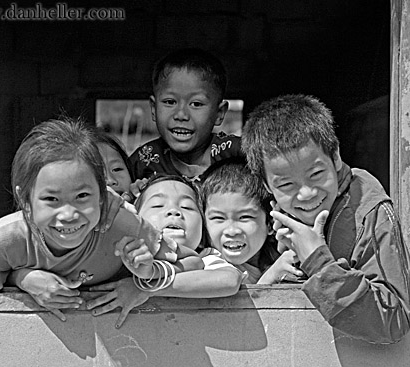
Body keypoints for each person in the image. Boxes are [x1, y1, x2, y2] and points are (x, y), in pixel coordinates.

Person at [0, 118, 202, 321]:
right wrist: (23, 278)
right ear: (25, 199)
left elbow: (194, 263)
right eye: (51, 199)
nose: (69, 215)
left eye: (82, 196)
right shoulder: (4, 240)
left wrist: (147, 277)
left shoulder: (121, 224)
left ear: (102, 195)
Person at [241, 94, 410, 344]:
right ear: (266, 184)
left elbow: (393, 321)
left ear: (335, 157)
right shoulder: (271, 214)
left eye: (316, 174)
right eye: (287, 184)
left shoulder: (367, 211)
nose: (306, 193)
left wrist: (317, 261)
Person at [87, 175, 244, 328]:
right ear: (136, 221)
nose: (173, 211)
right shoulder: (121, 254)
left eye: (187, 207)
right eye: (157, 205)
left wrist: (146, 288)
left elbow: (230, 280)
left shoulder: (205, 259)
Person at [128, 48, 242, 185]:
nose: (181, 115)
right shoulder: (143, 161)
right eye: (170, 102)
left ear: (219, 113)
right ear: (153, 108)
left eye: (196, 104)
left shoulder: (237, 153)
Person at [200, 158, 306, 284]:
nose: (232, 231)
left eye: (245, 217)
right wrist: (271, 276)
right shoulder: (208, 265)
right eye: (218, 218)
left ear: (271, 223)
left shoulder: (277, 259)